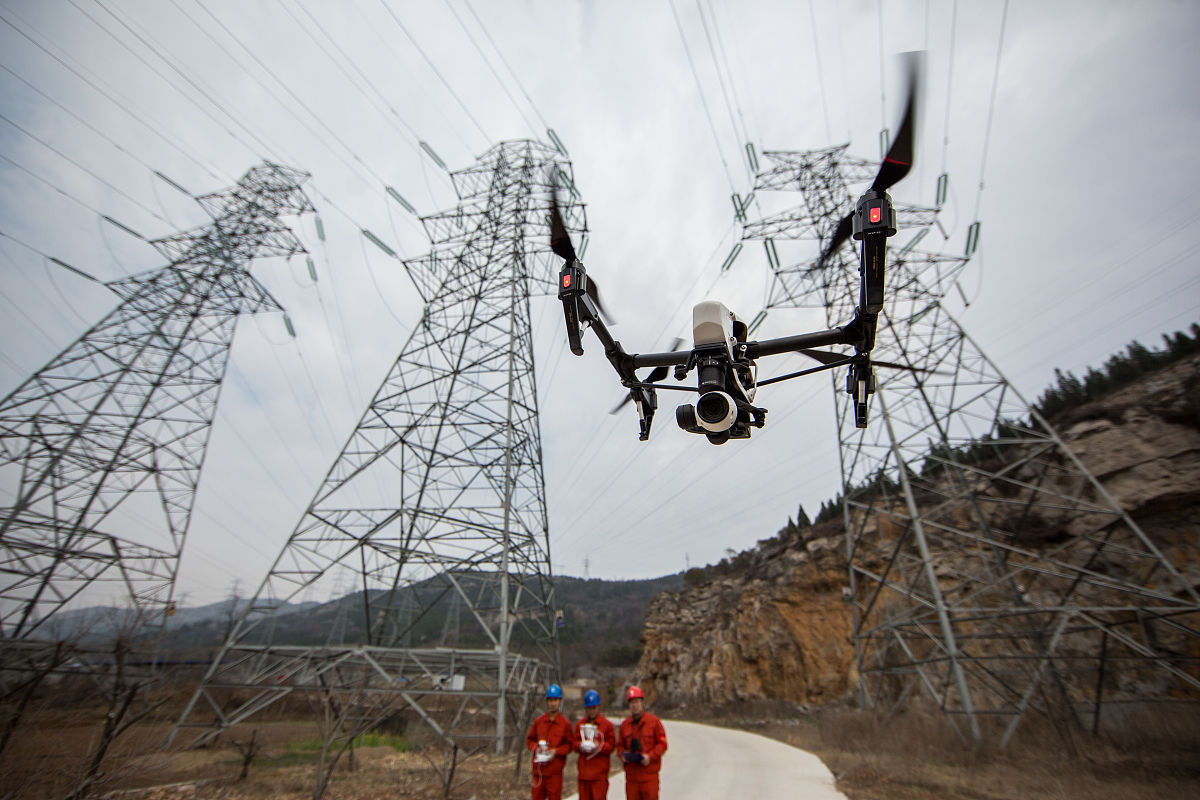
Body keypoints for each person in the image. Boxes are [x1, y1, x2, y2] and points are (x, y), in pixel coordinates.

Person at [616, 685, 667, 800]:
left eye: (637, 702)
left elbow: (663, 744)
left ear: (642, 702)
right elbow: (619, 746)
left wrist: (650, 756)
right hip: (632, 778)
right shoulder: (625, 725)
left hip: (649, 776)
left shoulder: (654, 722)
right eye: (632, 702)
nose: (635, 705)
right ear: (629, 705)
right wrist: (622, 756)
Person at [525, 683, 573, 800]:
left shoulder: (565, 724)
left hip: (554, 773)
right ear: (547, 701)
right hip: (539, 772)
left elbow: (569, 746)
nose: (553, 703)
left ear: (560, 701)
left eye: (555, 700)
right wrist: (536, 748)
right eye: (550, 700)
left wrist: (556, 751)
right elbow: (530, 740)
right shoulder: (539, 722)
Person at [573, 689, 616, 800]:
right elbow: (573, 744)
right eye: (589, 708)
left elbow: (612, 746)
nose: (591, 711)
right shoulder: (580, 725)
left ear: (598, 707)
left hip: (599, 776)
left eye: (594, 708)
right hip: (584, 775)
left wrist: (599, 746)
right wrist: (580, 746)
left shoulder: (607, 725)